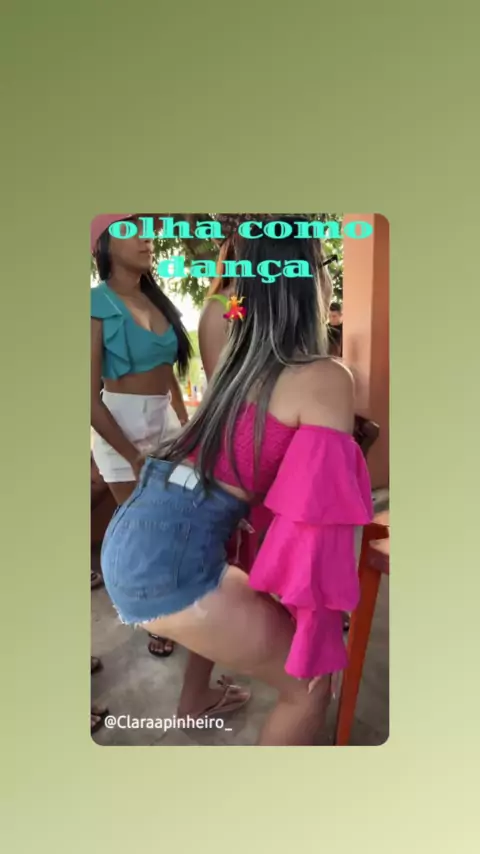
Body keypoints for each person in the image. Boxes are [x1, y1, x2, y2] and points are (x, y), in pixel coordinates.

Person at [100, 218, 373, 745]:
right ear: (308, 281)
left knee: (234, 587)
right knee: (309, 688)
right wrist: (316, 635)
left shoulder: (233, 362)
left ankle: (194, 701)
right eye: (324, 266)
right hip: (171, 554)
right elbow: (318, 524)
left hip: (137, 530)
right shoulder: (324, 377)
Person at [91, 214, 191, 658]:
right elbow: (88, 398)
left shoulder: (157, 300)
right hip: (119, 429)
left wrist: (184, 422)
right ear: (105, 245)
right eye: (131, 231)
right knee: (143, 531)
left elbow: (166, 373)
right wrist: (132, 455)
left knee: (174, 521)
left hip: (164, 422)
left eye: (148, 231)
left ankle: (177, 604)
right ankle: (152, 617)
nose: (147, 239)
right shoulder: (95, 303)